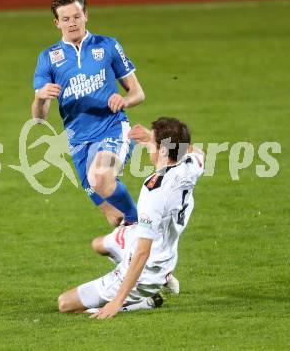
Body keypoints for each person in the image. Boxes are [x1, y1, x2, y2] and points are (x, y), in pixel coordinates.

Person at [57, 117, 204, 318]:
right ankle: (162, 278)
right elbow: (195, 151)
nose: (147, 146)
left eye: (151, 142)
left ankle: (144, 301)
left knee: (65, 303)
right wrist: (167, 139)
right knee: (99, 244)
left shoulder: (154, 192)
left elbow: (142, 253)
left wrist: (116, 302)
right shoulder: (190, 165)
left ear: (163, 150)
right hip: (161, 247)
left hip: (148, 269)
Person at [31, 0, 145, 226]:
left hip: (112, 129)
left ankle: (144, 224)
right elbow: (39, 119)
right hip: (78, 142)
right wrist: (41, 98)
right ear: (57, 23)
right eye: (66, 19)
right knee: (115, 217)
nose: (72, 23)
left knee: (101, 176)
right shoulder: (48, 58)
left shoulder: (108, 45)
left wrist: (125, 100)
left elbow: (137, 93)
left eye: (76, 16)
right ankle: (133, 256)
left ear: (86, 16)